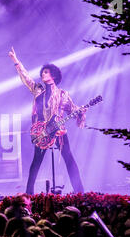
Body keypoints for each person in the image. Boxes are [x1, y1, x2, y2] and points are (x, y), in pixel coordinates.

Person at [8, 47, 86, 194]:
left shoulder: (63, 95)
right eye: (42, 72)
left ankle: (80, 192)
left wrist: (80, 112)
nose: (42, 74)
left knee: (69, 159)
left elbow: (73, 109)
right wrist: (16, 61)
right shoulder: (38, 90)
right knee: (36, 162)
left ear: (54, 75)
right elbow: (27, 79)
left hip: (58, 131)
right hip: (42, 131)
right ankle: (29, 194)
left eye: (46, 72)